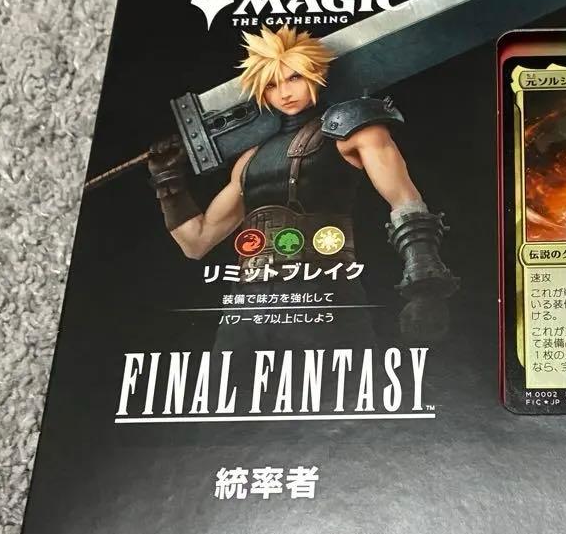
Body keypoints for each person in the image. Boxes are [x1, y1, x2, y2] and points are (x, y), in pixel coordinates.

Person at [147, 25, 456, 336]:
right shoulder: (249, 159)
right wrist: (168, 181)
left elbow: (404, 199)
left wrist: (425, 283)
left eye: (294, 77)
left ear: (315, 73)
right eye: (272, 85)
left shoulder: (355, 130)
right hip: (248, 304)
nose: (284, 92)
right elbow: (196, 242)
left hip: (326, 291)